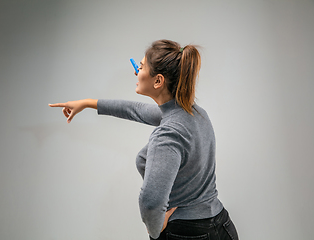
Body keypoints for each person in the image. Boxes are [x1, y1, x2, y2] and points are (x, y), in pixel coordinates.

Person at [49, 39, 239, 240]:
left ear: (158, 81)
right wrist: (87, 103)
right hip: (222, 225)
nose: (136, 72)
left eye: (140, 67)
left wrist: (155, 231)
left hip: (190, 234)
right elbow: (135, 110)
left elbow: (150, 201)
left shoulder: (167, 133)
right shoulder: (194, 113)